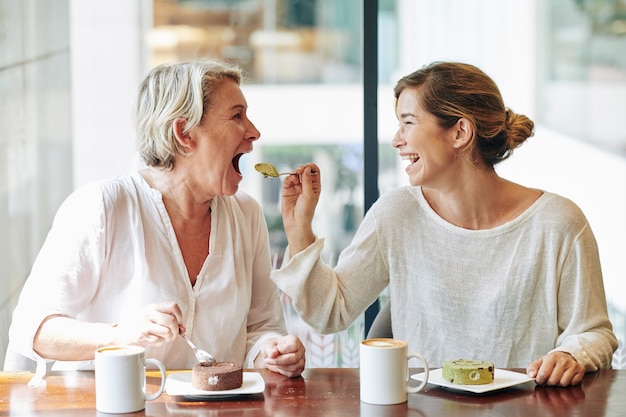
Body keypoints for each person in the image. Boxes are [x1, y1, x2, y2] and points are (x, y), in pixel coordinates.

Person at [272, 61, 617, 387]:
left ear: (460, 132)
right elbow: (329, 313)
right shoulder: (396, 213)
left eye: (408, 122)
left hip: (522, 408)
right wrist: (299, 228)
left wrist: (571, 354)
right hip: (422, 407)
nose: (396, 140)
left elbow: (594, 331)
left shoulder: (558, 223)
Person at [4, 58, 306, 378]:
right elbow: (32, 328)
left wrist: (273, 351)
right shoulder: (102, 207)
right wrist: (122, 334)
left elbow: (262, 327)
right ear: (184, 133)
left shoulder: (247, 215)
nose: (254, 132)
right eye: (236, 116)